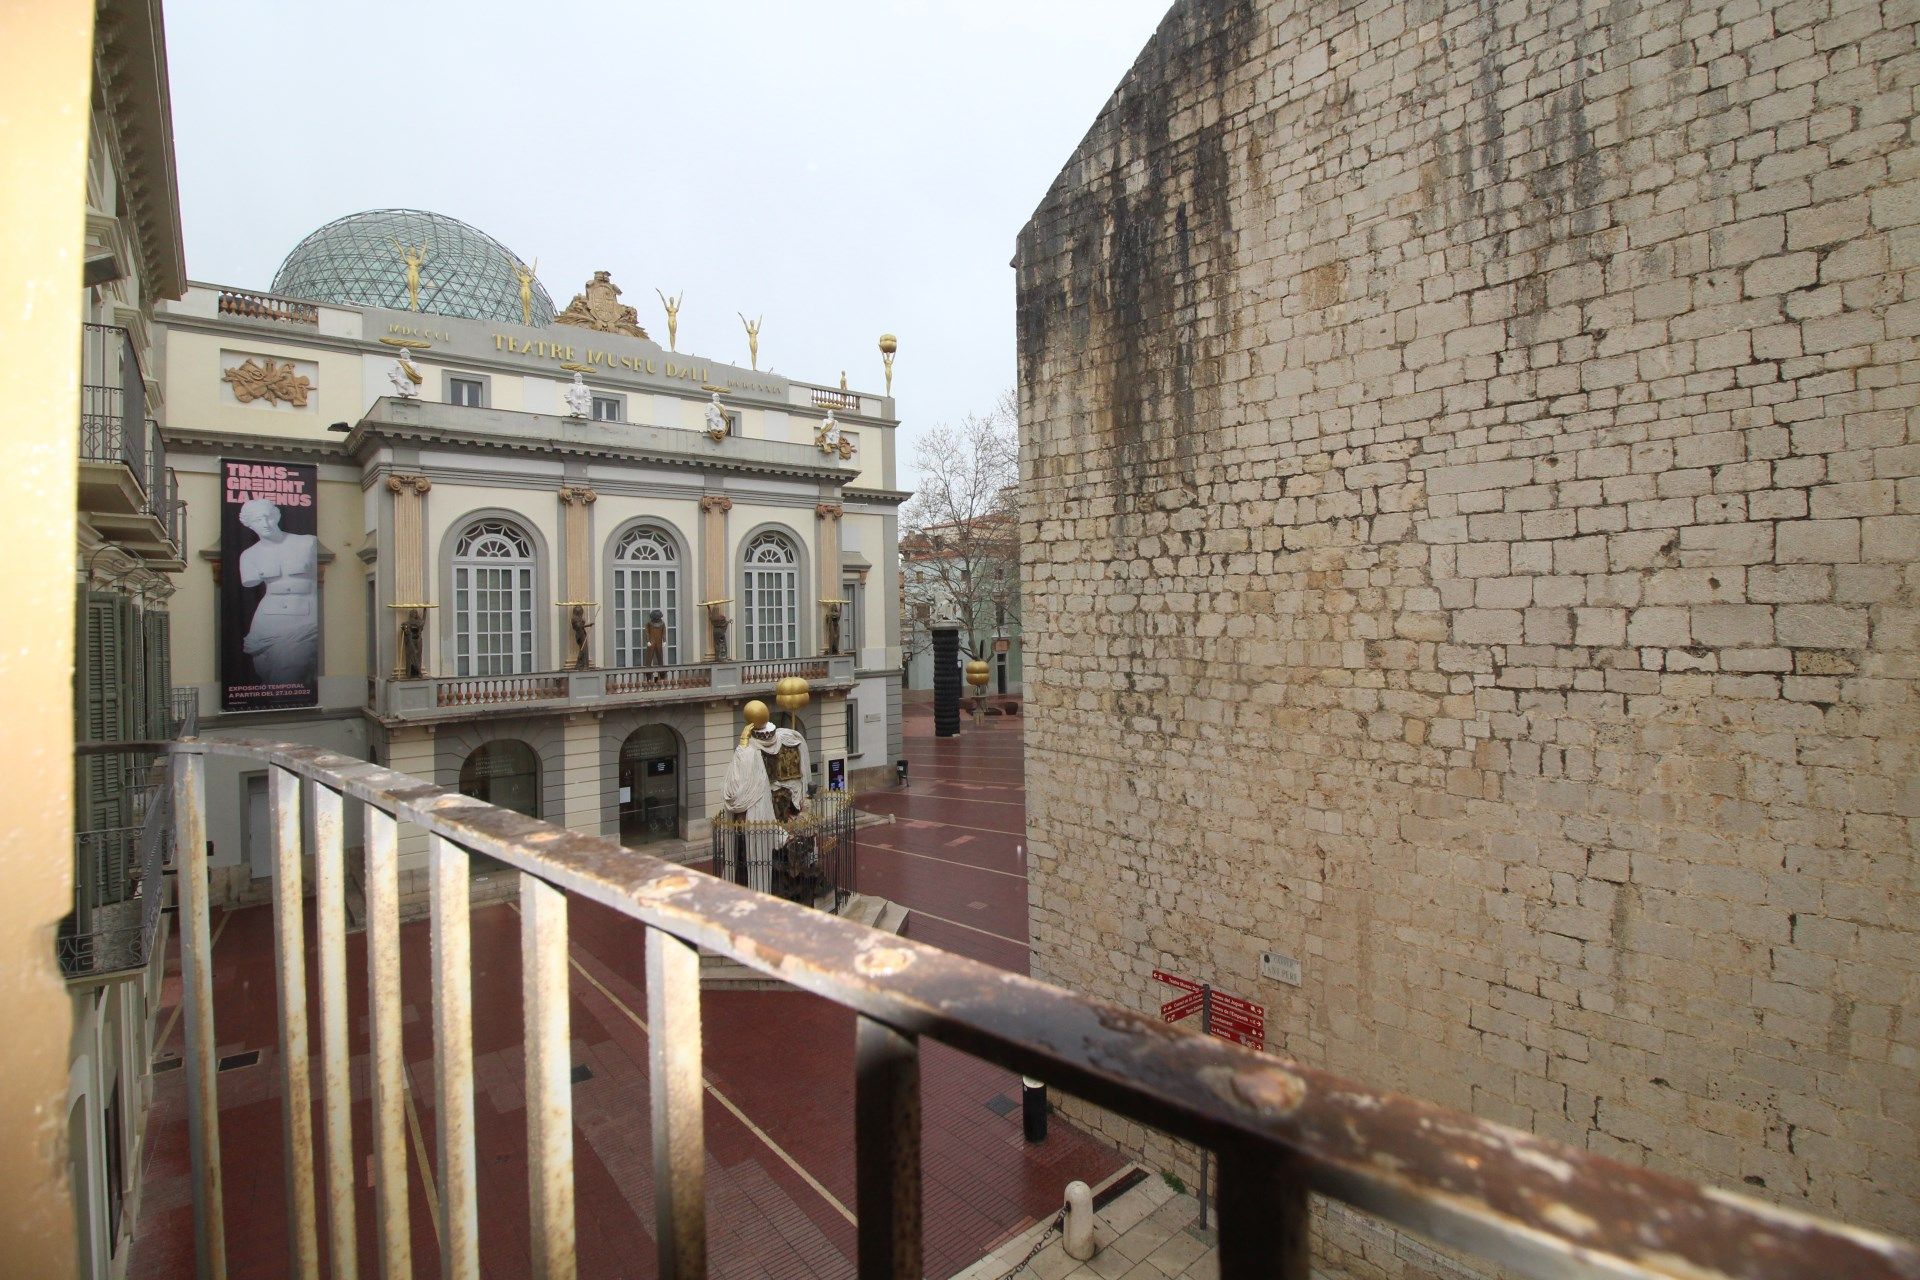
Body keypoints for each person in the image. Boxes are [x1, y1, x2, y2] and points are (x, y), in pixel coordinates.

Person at [237, 498, 319, 686]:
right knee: (270, 675)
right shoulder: (249, 555)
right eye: (258, 520)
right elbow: (250, 582)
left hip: (304, 619)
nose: (265, 524)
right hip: (268, 623)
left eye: (268, 517)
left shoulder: (307, 543)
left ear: (277, 516)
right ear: (249, 524)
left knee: (291, 674)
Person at [399, 607, 425, 679]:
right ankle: (413, 672)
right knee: (411, 657)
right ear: (411, 615)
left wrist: (425, 610)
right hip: (410, 642)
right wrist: (404, 628)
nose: (415, 615)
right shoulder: (407, 623)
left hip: (418, 641)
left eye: (416, 613)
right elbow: (404, 628)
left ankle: (418, 671)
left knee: (418, 656)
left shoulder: (419, 623)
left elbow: (423, 621)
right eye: (413, 613)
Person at [570, 605, 592, 669]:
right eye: (580, 612)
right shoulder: (574, 619)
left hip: (582, 634)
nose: (581, 613)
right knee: (583, 649)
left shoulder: (578, 618)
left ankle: (583, 664)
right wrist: (587, 625)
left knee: (584, 650)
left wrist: (586, 624)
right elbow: (579, 626)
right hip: (580, 635)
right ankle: (581, 665)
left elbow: (581, 626)